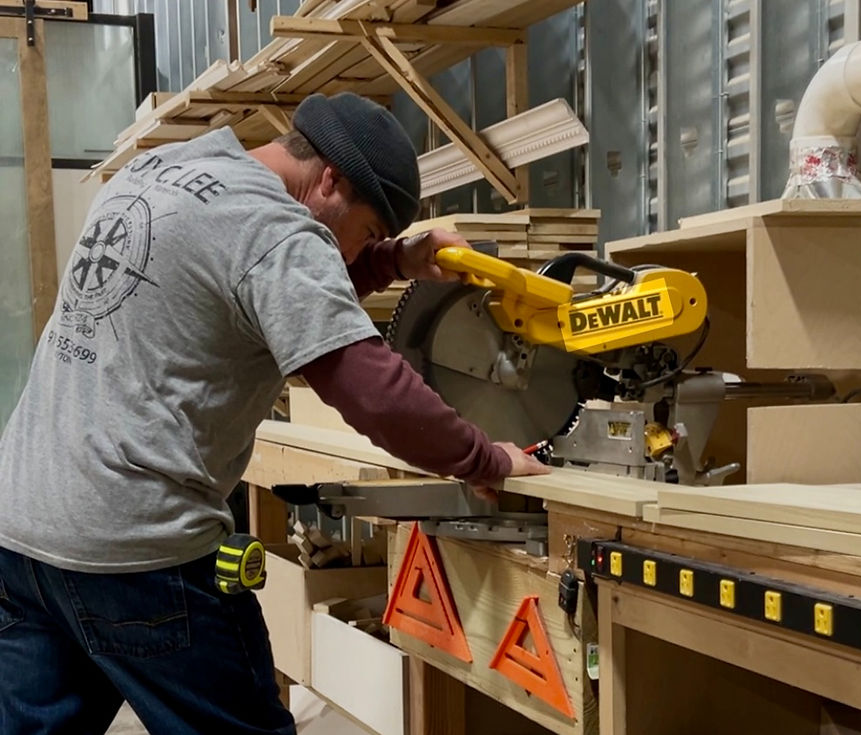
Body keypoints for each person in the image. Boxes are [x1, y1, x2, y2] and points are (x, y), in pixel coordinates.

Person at [0, 92, 548, 735]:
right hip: (138, 550)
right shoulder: (278, 231)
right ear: (329, 180)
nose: (350, 254)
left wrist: (396, 258)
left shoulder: (166, 169)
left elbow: (260, 283)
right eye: (367, 233)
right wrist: (485, 457)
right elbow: (372, 392)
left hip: (23, 532)